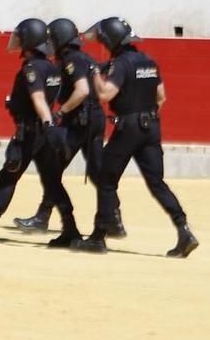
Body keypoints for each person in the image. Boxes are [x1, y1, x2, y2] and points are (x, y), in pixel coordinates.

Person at [83, 16, 197, 258]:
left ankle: (98, 237)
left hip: (128, 127)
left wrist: (93, 72)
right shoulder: (149, 62)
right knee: (157, 183)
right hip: (152, 126)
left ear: (110, 41)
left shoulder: (121, 63)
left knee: (105, 179)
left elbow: (105, 94)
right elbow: (161, 96)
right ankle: (183, 229)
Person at [0, 17, 78, 247]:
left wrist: (46, 123)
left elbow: (37, 98)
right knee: (52, 182)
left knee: (6, 178)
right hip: (42, 134)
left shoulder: (31, 68)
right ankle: (71, 229)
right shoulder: (52, 67)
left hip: (31, 132)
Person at [11, 17, 106, 236]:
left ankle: (43, 218)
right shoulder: (87, 58)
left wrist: (61, 112)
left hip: (78, 122)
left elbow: (82, 90)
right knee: (97, 171)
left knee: (53, 168)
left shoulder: (70, 60)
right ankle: (112, 217)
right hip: (95, 119)